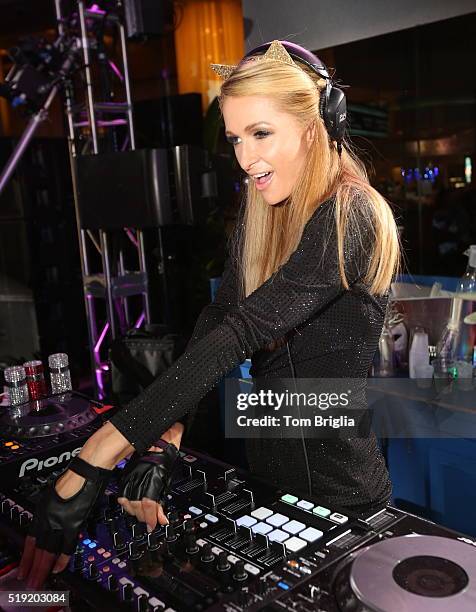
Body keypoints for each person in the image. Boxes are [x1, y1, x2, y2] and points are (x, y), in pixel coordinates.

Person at [18, 40, 400, 588]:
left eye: (261, 133)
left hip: (342, 499)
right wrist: (170, 431)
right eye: (236, 138)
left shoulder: (353, 214)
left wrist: (95, 457)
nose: (245, 157)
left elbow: (244, 332)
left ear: (317, 126)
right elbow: (219, 319)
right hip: (268, 483)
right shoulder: (270, 214)